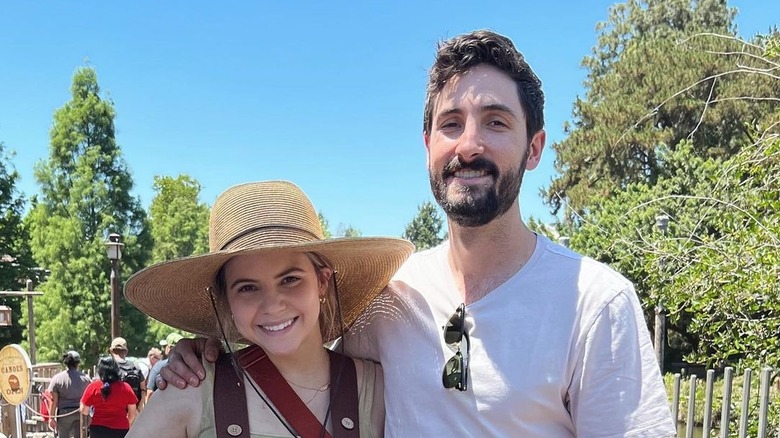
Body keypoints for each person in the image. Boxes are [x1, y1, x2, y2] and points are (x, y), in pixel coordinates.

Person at [159, 30, 676, 436]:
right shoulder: (391, 298)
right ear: (428, 144)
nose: (469, 145)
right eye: (452, 123)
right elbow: (297, 348)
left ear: (534, 148)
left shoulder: (595, 304)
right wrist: (205, 353)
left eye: (496, 122)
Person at [123, 180, 413, 437]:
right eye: (247, 288)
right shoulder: (191, 392)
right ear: (227, 300)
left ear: (322, 282)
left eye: (290, 280)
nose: (273, 305)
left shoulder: (381, 391)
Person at [80, 356, 138, 438]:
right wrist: (126, 424)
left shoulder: (93, 387)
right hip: (120, 430)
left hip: (98, 430)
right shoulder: (126, 388)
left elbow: (84, 410)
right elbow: (133, 413)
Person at [47, 350, 92, 438]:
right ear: (77, 363)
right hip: (80, 413)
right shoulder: (86, 379)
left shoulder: (57, 379)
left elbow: (54, 401)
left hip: (64, 414)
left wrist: (51, 418)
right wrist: (90, 415)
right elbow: (89, 400)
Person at [108, 337, 146, 411]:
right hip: (132, 413)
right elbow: (143, 389)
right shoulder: (135, 367)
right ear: (126, 351)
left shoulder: (106, 367)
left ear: (111, 350)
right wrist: (139, 408)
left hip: (112, 413)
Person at [144, 333, 183, 400]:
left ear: (169, 348)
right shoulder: (190, 367)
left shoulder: (159, 366)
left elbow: (150, 392)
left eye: (164, 346)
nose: (163, 349)